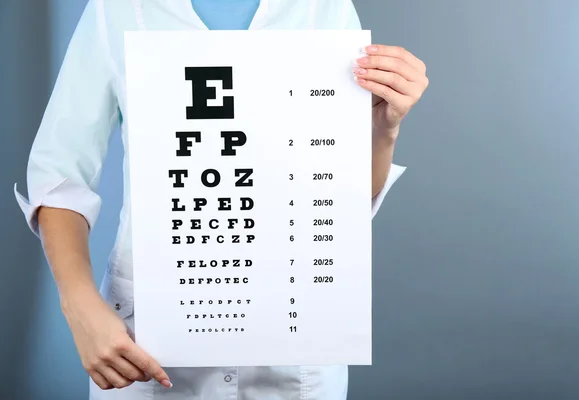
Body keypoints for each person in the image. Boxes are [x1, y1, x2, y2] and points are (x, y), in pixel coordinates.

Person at [14, 0, 429, 399]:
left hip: (294, 348)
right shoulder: (120, 8)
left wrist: (383, 131)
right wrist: (80, 307)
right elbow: (60, 175)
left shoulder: (323, 7)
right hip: (144, 344)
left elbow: (336, 197)